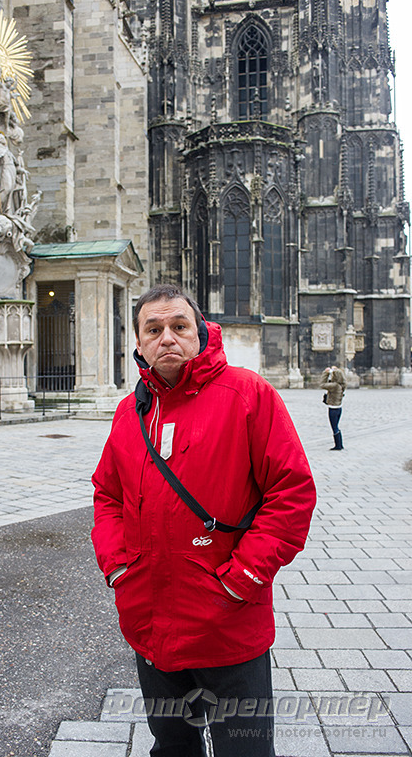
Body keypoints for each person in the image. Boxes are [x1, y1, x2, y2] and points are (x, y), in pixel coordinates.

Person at [91, 285, 316, 757]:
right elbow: (108, 495)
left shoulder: (247, 394)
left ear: (201, 333)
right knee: (173, 746)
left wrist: (243, 577)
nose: (167, 338)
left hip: (227, 623)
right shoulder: (130, 412)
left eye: (179, 326)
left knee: (245, 750)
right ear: (138, 343)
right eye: (153, 329)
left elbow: (291, 492)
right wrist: (118, 566)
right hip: (151, 622)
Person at [320, 366, 347, 450]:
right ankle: (340, 444)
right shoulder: (341, 385)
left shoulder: (334, 386)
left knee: (334, 427)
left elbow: (322, 384)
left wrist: (326, 373)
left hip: (333, 409)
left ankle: (338, 445)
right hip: (339, 408)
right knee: (336, 426)